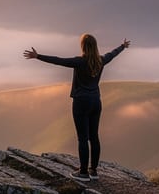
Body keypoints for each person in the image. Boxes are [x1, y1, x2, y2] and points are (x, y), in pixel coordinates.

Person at [24, 34, 130, 182]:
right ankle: (93, 171)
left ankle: (83, 173)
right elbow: (113, 54)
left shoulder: (79, 62)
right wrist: (122, 47)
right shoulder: (101, 60)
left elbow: (59, 61)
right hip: (96, 102)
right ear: (95, 46)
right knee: (94, 137)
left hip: (81, 102)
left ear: (83, 46)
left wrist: (38, 56)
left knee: (82, 138)